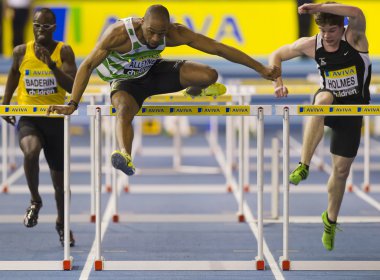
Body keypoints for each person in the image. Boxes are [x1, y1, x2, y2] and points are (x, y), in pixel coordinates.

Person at [47, 4, 280, 176]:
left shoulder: (173, 33)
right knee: (124, 109)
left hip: (153, 72)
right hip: (124, 81)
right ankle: (125, 155)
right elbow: (87, 65)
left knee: (210, 74)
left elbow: (218, 48)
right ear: (142, 23)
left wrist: (260, 68)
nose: (157, 38)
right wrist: (73, 103)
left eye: (162, 33)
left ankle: (195, 89)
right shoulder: (119, 34)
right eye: (152, 32)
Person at [269, 2, 371, 251]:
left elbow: (357, 12)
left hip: (353, 110)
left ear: (341, 27)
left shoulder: (355, 38)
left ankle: (330, 220)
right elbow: (276, 55)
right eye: (323, 31)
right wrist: (277, 82)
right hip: (330, 102)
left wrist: (318, 6)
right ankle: (303, 165)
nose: (327, 36)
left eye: (331, 31)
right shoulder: (312, 44)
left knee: (341, 172)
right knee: (322, 98)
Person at [2, 7, 77, 247]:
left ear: (54, 28)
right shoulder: (20, 51)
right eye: (36, 25)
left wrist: (52, 67)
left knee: (60, 184)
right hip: (29, 117)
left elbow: (73, 85)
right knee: (30, 151)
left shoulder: (63, 51)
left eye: (45, 26)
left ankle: (62, 223)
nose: (40, 30)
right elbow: (14, 73)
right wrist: (5, 104)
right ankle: (35, 200)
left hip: (55, 119)